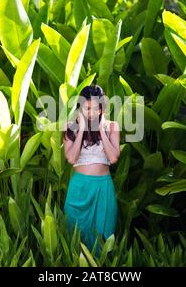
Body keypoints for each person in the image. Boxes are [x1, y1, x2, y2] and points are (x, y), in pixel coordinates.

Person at [62, 84, 120, 256]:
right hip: (79, 188)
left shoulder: (112, 127)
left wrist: (101, 129)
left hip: (103, 188)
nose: (92, 113)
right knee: (75, 238)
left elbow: (113, 157)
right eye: (87, 108)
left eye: (97, 108)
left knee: (103, 238)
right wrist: (81, 129)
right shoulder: (70, 127)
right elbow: (71, 158)